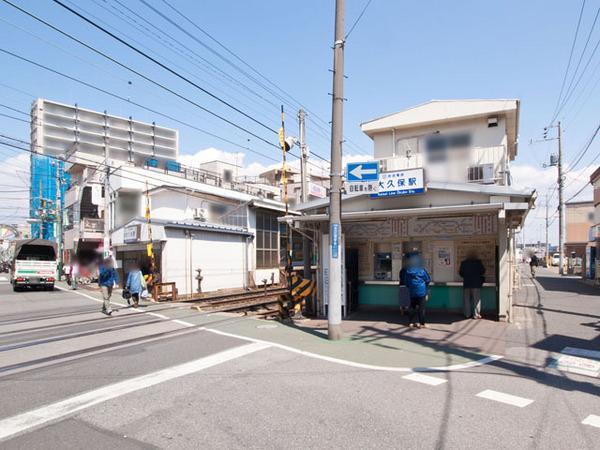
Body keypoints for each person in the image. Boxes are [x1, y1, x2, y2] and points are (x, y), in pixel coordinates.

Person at [400, 252, 431, 329]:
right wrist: (424, 286)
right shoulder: (422, 270)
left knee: (412, 307)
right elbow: (427, 280)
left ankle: (410, 323)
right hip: (421, 292)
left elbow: (406, 281)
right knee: (421, 308)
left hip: (412, 292)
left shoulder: (408, 271)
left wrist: (410, 287)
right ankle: (422, 324)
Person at [459, 251, 485, 319]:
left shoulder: (464, 263)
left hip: (467, 283)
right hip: (476, 284)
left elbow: (461, 273)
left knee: (466, 300)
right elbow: (483, 271)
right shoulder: (478, 263)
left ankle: (467, 314)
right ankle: (476, 314)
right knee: (476, 300)